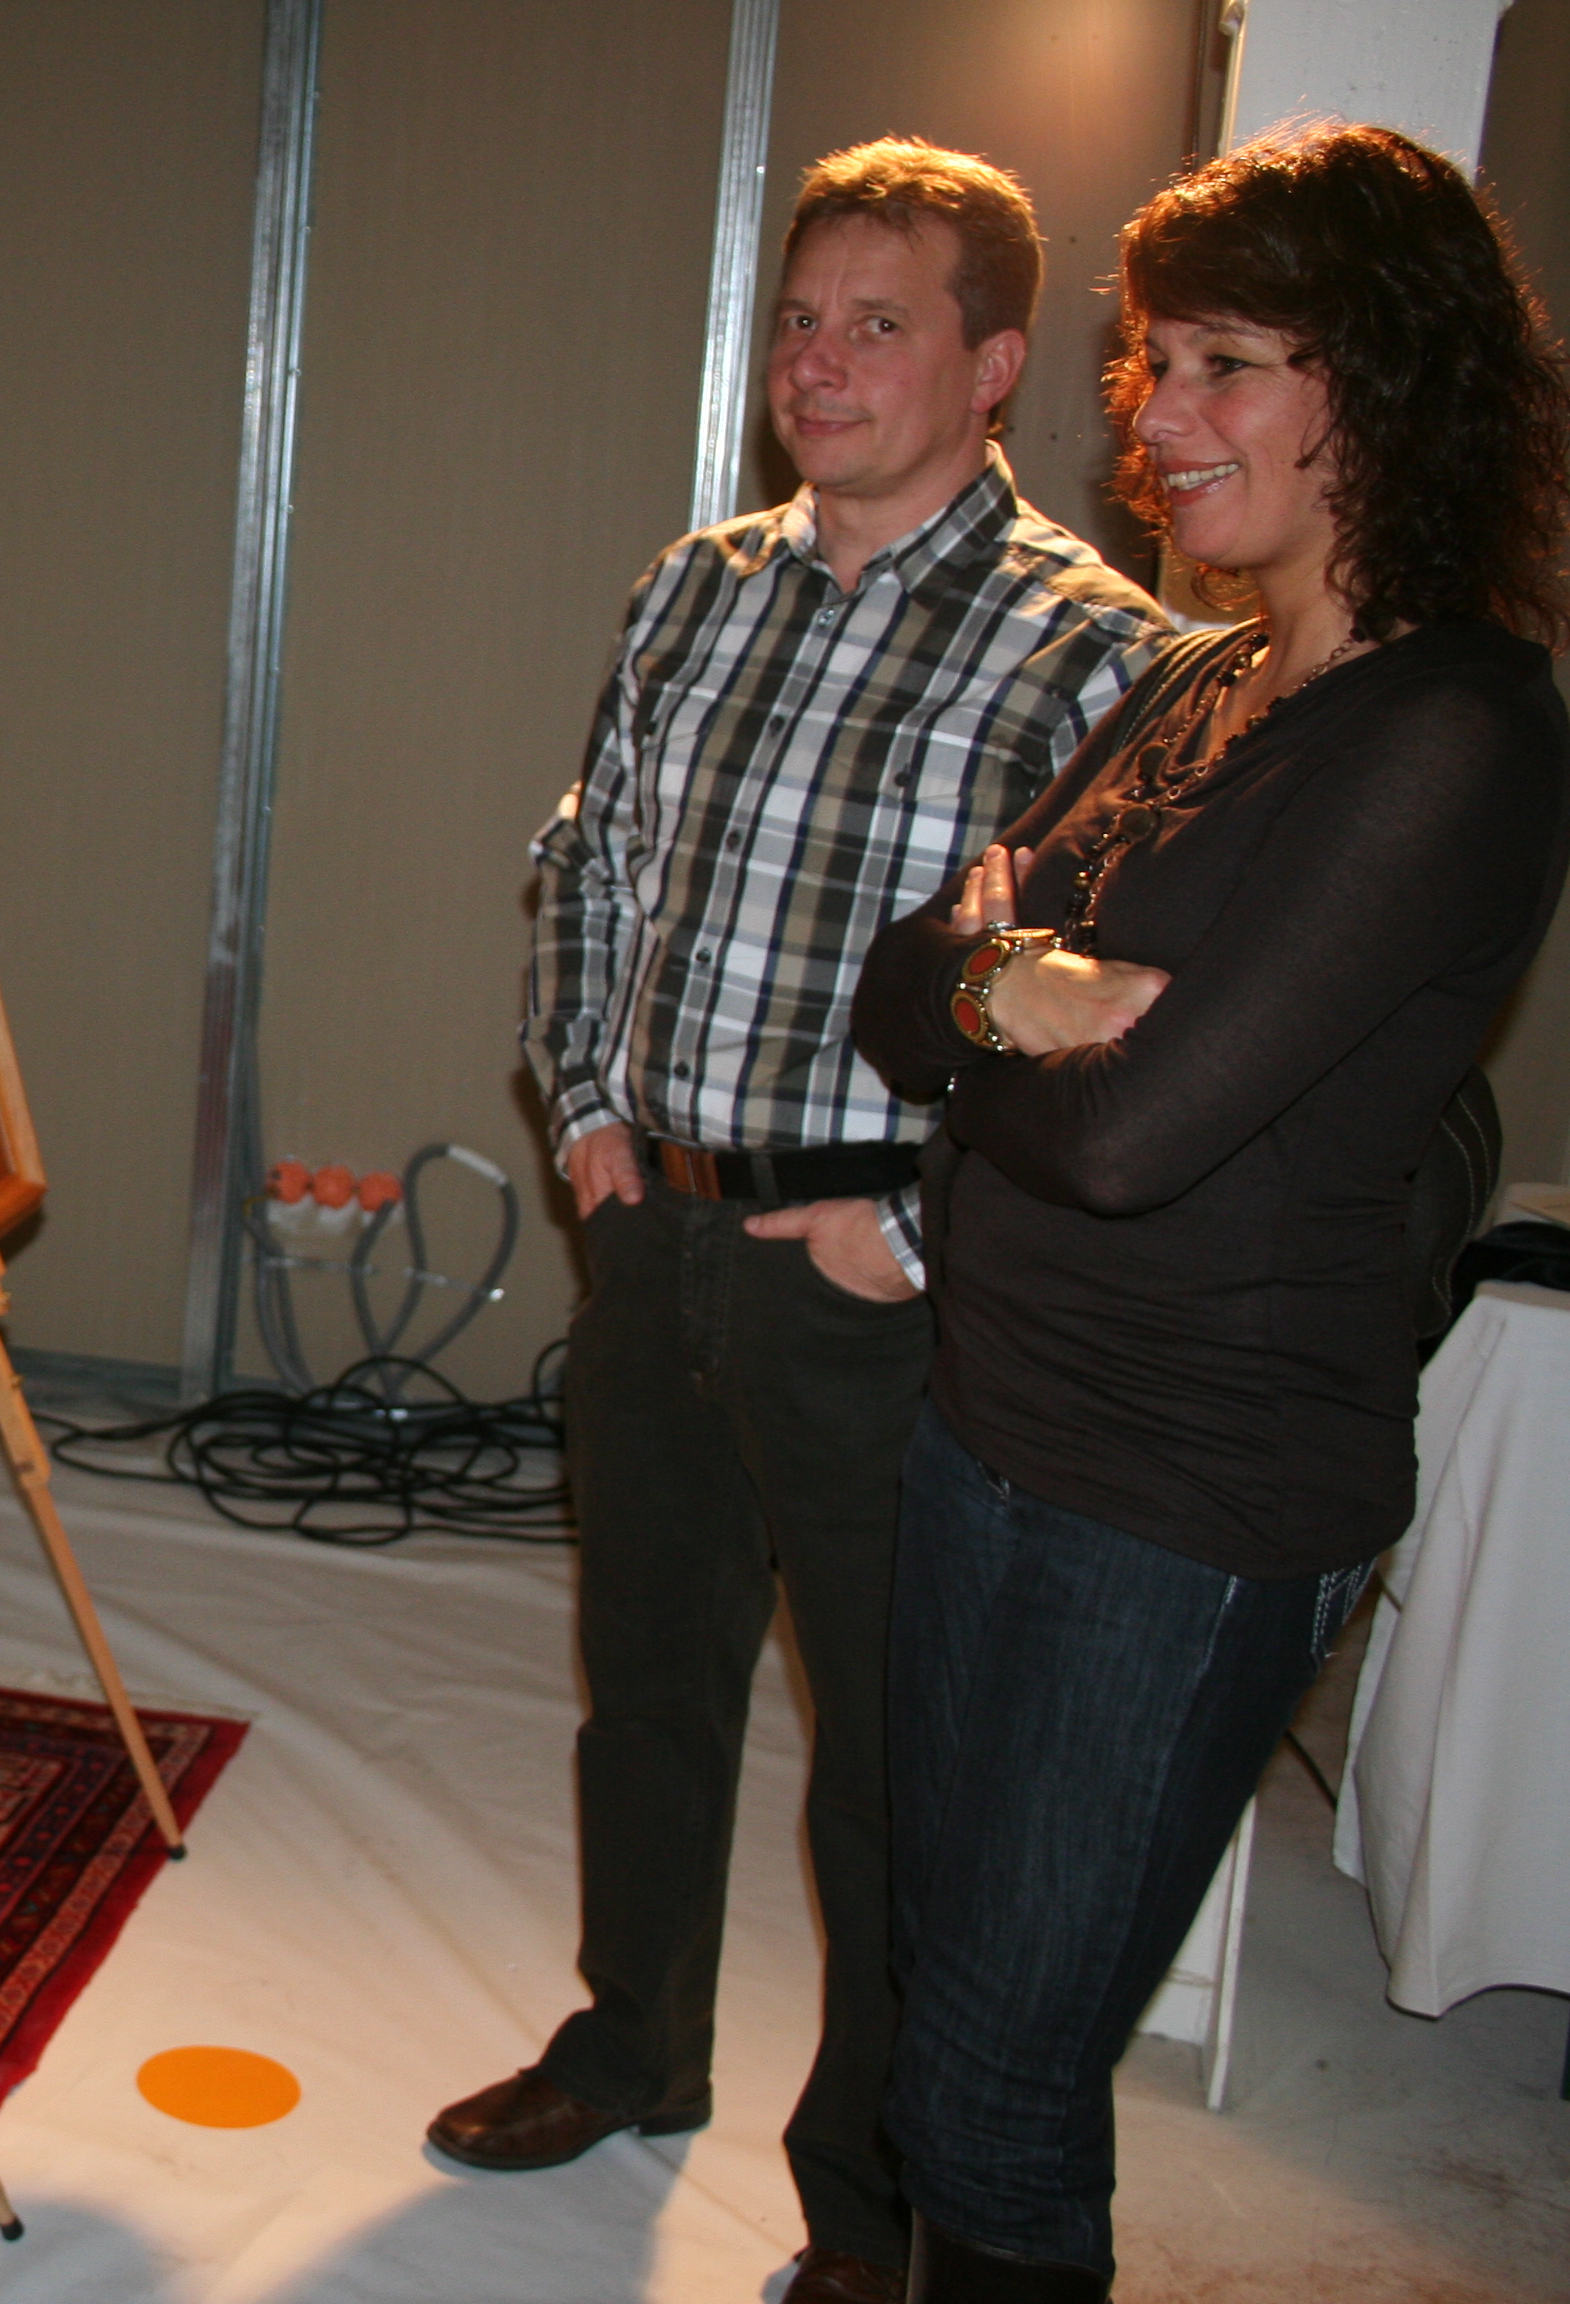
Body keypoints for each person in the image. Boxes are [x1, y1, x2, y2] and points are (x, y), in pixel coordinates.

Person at [851, 124, 1570, 2299]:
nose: (1156, 419)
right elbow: (900, 997)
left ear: (1392, 378)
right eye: (1153, 363)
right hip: (993, 1420)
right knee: (945, 2000)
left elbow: (1126, 1146)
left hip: (1185, 1497)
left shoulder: (1453, 730)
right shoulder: (1203, 677)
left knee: (994, 2092)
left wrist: (1002, 995)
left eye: (1226, 363)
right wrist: (1028, 988)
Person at [452, 139, 1166, 2303]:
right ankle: (632, 2044)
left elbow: (1114, 1019)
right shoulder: (698, 586)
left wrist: (918, 1236)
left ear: (995, 365)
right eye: (799, 320)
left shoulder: (1090, 650)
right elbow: (588, 865)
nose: (820, 364)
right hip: (657, 1240)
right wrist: (590, 1116)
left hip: (878, 1292)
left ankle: (868, 2208)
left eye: (879, 324)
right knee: (648, 1688)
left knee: (890, 1774)